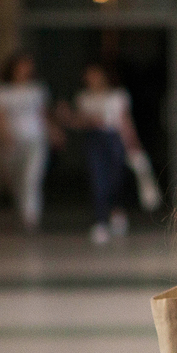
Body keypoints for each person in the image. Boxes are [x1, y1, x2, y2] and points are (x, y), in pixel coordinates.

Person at [71, 63, 138, 245]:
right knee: (98, 179)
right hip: (94, 139)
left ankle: (117, 210)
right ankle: (100, 220)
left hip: (114, 138)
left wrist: (133, 144)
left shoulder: (118, 95)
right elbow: (78, 122)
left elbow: (125, 121)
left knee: (115, 177)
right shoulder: (83, 97)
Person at [0, 52, 52, 231]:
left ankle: (31, 217)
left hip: (36, 139)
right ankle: (23, 211)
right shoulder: (2, 91)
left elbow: (43, 114)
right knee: (17, 179)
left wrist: (53, 132)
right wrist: (5, 136)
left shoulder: (38, 89)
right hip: (13, 140)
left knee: (31, 177)